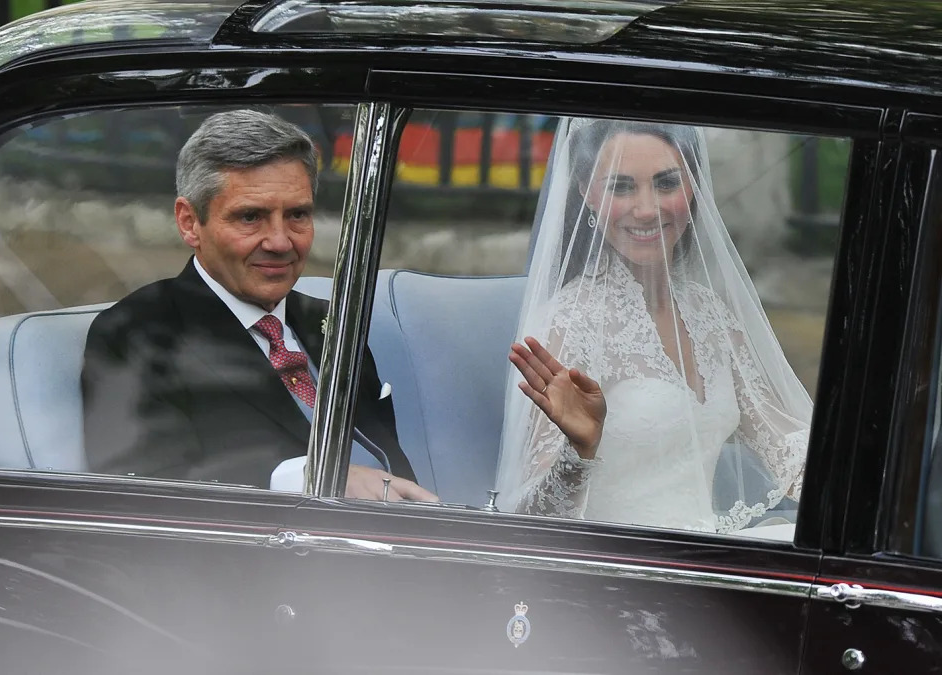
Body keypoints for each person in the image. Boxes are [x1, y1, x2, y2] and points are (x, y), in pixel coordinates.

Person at [81, 109, 436, 502]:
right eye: (251, 217)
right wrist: (310, 476)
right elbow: (145, 488)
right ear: (189, 223)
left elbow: (390, 467)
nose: (281, 242)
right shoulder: (139, 332)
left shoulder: (332, 321)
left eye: (297, 215)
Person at [497, 118, 811, 532]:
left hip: (705, 556)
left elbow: (789, 447)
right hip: (618, 570)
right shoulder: (569, 324)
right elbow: (528, 522)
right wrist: (579, 452)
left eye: (666, 184)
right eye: (621, 187)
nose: (647, 209)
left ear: (693, 187)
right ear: (587, 193)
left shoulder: (710, 314)